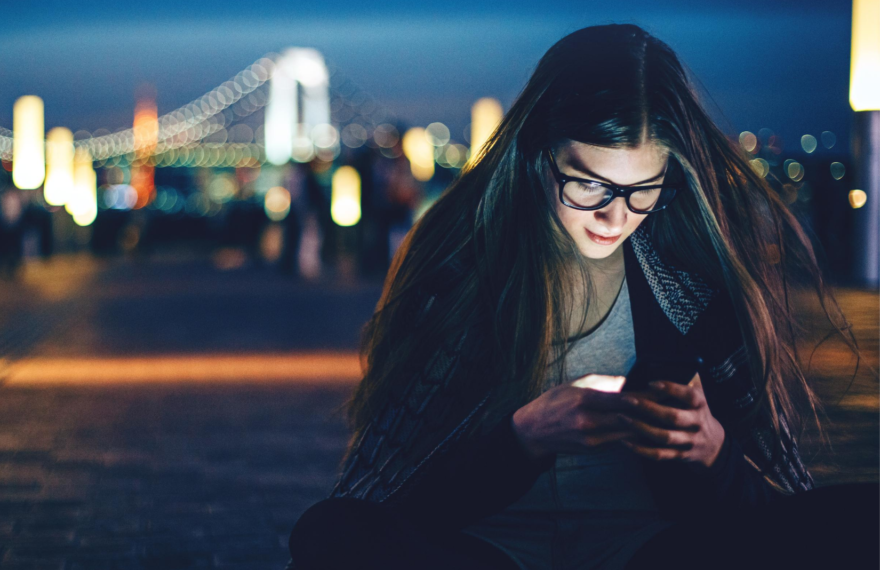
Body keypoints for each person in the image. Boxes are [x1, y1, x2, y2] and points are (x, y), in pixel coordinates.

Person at [284, 24, 877, 570]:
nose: (615, 216)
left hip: (651, 547)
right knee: (332, 534)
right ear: (538, 156)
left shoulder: (688, 278)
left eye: (643, 188)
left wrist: (711, 452)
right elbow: (398, 498)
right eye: (589, 183)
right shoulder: (459, 263)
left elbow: (763, 511)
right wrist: (523, 440)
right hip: (488, 550)